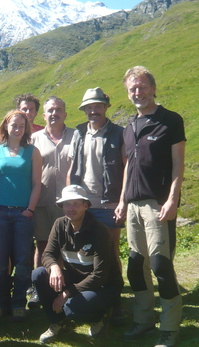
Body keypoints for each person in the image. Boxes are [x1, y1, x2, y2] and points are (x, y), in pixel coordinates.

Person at [115, 66, 186, 347]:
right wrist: (121, 201)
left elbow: (179, 164)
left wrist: (171, 200)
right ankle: (143, 321)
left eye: (142, 86)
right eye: (132, 88)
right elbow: (128, 167)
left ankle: (170, 328)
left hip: (158, 204)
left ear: (153, 88)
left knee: (161, 264)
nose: (137, 92)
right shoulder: (130, 127)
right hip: (132, 205)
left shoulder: (170, 120)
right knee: (135, 266)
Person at [32, 185, 123, 343]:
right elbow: (47, 254)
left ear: (85, 206)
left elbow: (100, 276)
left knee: (73, 308)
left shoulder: (99, 231)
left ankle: (99, 317)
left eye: (76, 203)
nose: (71, 208)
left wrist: (67, 293)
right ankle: (57, 323)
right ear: (62, 207)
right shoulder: (60, 224)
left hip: (104, 286)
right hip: (77, 279)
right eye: (67, 204)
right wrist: (54, 267)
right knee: (39, 274)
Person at [0, 110, 42, 321]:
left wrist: (30, 209)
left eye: (21, 125)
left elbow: (37, 183)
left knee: (22, 260)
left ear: (26, 129)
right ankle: (0, 301)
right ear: (6, 126)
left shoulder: (32, 151)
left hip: (23, 213)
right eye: (13, 125)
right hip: (0, 212)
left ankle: (19, 301)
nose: (17, 129)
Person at [68, 88, 126, 264]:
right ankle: (91, 285)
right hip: (84, 202)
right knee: (84, 247)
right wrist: (71, 200)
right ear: (84, 111)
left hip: (110, 202)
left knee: (112, 245)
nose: (93, 111)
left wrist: (123, 202)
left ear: (106, 107)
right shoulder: (78, 134)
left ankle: (115, 285)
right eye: (89, 107)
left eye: (98, 106)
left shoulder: (119, 133)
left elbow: (127, 169)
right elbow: (72, 169)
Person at [30, 96, 74, 308]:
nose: (54, 113)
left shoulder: (76, 136)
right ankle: (40, 289)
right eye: (50, 110)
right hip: (43, 201)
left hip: (70, 204)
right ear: (44, 115)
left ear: (65, 113)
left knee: (68, 247)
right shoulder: (35, 138)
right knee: (42, 244)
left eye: (58, 109)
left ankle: (67, 288)